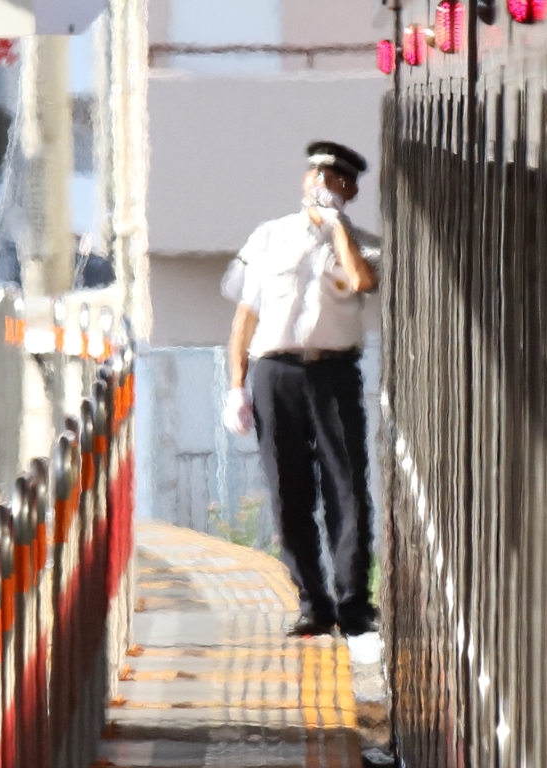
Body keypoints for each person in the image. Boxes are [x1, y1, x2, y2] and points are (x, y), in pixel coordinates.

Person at [221, 141, 381, 637]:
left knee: (347, 491)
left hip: (333, 374)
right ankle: (315, 602)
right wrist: (236, 385)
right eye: (315, 175)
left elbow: (362, 281)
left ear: (350, 189)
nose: (321, 185)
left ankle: (354, 603)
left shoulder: (361, 243)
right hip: (277, 374)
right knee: (290, 495)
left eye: (333, 180)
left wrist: (338, 230)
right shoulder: (269, 237)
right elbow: (245, 318)